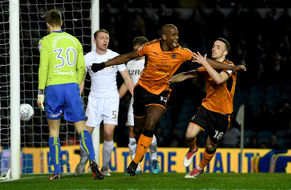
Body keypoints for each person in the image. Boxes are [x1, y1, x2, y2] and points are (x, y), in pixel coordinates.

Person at [92, 24, 246, 176]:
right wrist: (103, 64)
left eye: (218, 47)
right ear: (164, 37)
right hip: (144, 92)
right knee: (141, 131)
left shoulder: (216, 62)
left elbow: (216, 75)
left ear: (225, 52)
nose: (176, 38)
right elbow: (128, 56)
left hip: (178, 99)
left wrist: (234, 68)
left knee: (154, 126)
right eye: (173, 35)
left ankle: (137, 163)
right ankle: (188, 150)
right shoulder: (150, 47)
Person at [37, 9, 103, 180]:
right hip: (72, 86)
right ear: (61, 23)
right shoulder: (75, 41)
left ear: (47, 24)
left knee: (54, 131)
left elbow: (43, 67)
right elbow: (82, 68)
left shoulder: (45, 41)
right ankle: (94, 162)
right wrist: (75, 84)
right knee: (82, 129)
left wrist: (40, 92)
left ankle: (57, 171)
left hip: (53, 87)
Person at [177, 38, 239, 178]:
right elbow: (186, 75)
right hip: (206, 108)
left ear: (225, 52)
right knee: (189, 135)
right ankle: (193, 149)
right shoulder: (207, 66)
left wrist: (205, 62)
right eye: (213, 46)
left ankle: (199, 168)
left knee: (211, 145)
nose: (214, 49)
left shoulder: (229, 66)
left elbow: (218, 79)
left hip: (222, 114)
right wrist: (167, 80)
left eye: (218, 47)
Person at [75, 29, 134, 176]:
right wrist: (76, 99)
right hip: (94, 100)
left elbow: (127, 78)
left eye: (107, 38)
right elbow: (81, 81)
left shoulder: (115, 57)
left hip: (111, 100)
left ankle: (106, 166)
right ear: (95, 41)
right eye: (102, 38)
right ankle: (83, 161)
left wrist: (136, 96)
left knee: (108, 133)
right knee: (86, 133)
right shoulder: (87, 58)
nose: (105, 40)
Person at [119, 36, 160, 175]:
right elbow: (126, 83)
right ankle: (135, 166)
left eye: (139, 49)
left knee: (147, 132)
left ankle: (154, 157)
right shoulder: (130, 64)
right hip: (135, 102)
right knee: (132, 133)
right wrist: (116, 98)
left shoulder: (151, 62)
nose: (137, 52)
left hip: (150, 101)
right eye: (135, 49)